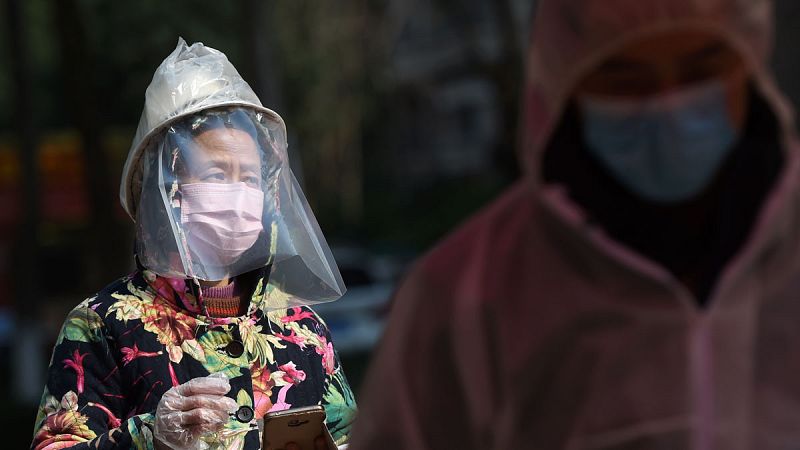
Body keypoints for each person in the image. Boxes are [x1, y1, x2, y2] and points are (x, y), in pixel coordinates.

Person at [349, 0, 800, 449]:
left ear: (752, 63)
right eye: (626, 80)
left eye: (702, 71)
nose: (669, 104)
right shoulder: (463, 297)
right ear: (564, 85)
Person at [31, 39, 356, 450]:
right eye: (217, 175)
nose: (238, 194)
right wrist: (150, 437)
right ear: (167, 192)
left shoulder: (302, 327)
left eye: (250, 178)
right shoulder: (103, 324)